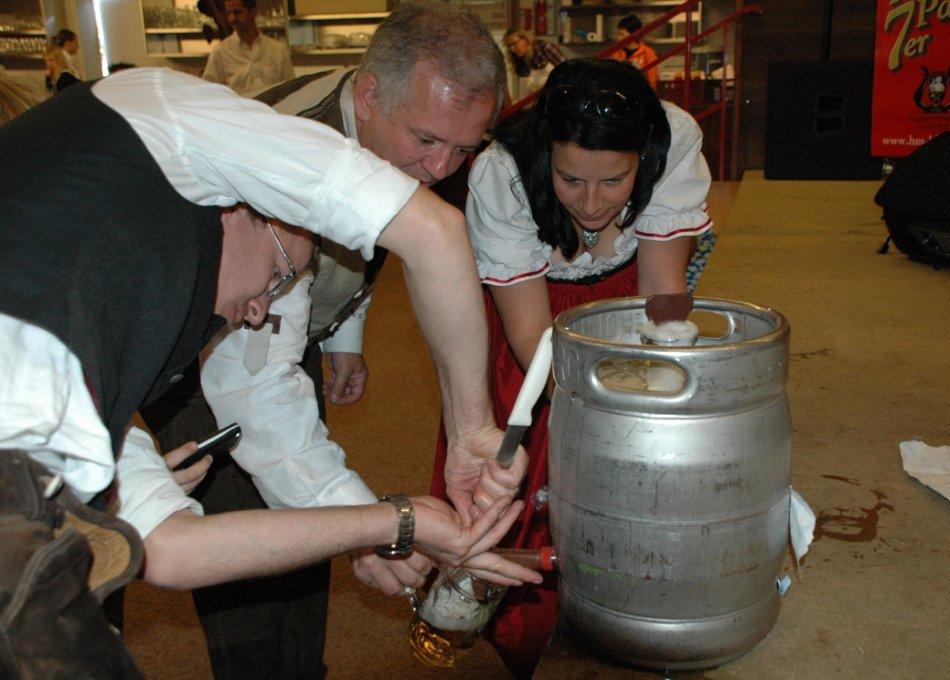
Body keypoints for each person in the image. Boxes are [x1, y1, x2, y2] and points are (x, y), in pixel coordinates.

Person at [0, 66, 537, 677]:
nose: (259, 310)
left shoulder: (120, 311)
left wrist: (382, 525)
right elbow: (434, 229)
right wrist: (470, 436)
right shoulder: (167, 118)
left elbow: (172, 549)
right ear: (237, 208)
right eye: (279, 274)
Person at [139, 4, 510, 676]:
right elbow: (255, 386)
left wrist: (345, 326)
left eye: (464, 149)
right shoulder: (280, 164)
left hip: (281, 322)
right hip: (196, 344)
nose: (440, 168)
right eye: (427, 140)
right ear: (367, 96)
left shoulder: (385, 119)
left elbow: (358, 242)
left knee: (307, 546)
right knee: (239, 549)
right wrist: (374, 524)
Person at [430, 58, 715, 678]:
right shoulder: (503, 174)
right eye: (569, 179)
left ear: (644, 157)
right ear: (546, 157)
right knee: (524, 493)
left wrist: (653, 398)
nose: (590, 203)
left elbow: (661, 301)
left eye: (614, 181)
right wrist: (599, 418)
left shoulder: (675, 140)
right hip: (534, 336)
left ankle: (629, 626)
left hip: (624, 310)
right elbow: (532, 336)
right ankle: (525, 640)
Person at [202, 0, 294, 95]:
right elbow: (209, 92)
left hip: (272, 104)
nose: (232, 18)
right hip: (238, 104)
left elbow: (291, 89)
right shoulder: (221, 52)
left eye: (237, 12)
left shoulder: (277, 50)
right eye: (229, 13)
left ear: (253, 12)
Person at [504, 28, 565, 98]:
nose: (512, 49)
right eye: (509, 46)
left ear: (525, 39)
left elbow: (568, 71)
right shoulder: (519, 62)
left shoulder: (544, 48)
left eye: (514, 43)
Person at [610, 14, 660, 92]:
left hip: (640, 93)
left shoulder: (648, 52)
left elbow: (652, 80)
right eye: (618, 34)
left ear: (633, 34)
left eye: (622, 34)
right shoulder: (616, 52)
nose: (619, 38)